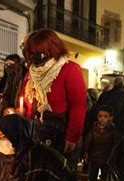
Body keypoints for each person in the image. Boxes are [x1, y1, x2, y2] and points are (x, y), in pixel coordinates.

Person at [21, 29, 86, 162]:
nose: (35, 56)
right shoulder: (31, 72)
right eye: (32, 52)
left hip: (60, 132)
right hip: (36, 130)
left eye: (39, 52)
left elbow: (78, 106)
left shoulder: (69, 69)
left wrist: (72, 136)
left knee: (59, 178)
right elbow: (26, 102)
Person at [83, 105, 120, 181]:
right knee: (92, 176)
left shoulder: (113, 130)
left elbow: (116, 143)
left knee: (105, 177)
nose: (102, 118)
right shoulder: (93, 128)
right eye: (100, 116)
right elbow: (88, 141)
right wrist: (86, 152)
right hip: (94, 156)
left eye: (105, 116)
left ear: (110, 117)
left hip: (107, 158)